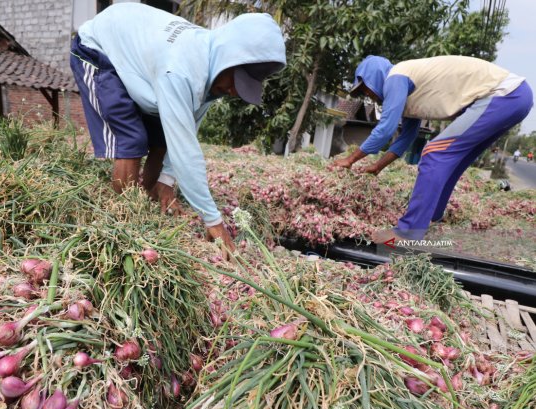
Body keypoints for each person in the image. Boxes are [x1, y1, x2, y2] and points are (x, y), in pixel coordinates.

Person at [70, 3, 286, 256]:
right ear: (228, 59)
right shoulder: (181, 70)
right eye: (236, 82)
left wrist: (167, 180)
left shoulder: (211, 70)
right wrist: (213, 221)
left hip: (141, 60)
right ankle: (123, 222)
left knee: (162, 140)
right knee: (132, 139)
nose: (234, 92)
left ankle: (147, 200)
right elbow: (186, 152)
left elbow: (186, 128)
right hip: (100, 50)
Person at [333, 55, 532, 243]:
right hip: (515, 97)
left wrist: (350, 160)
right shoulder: (406, 90)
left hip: (503, 95)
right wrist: (378, 166)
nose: (368, 96)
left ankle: (409, 231)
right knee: (453, 159)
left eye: (365, 89)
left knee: (434, 153)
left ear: (374, 77)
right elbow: (406, 137)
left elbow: (385, 129)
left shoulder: (395, 77)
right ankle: (433, 216)